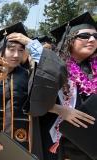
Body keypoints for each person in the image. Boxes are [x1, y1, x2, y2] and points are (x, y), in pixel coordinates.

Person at [28, 12, 97, 160]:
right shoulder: (53, 68)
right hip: (62, 143)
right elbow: (33, 101)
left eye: (95, 36)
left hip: (92, 144)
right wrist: (61, 110)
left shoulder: (95, 69)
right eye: (84, 36)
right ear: (69, 40)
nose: (92, 39)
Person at [0, 22, 41, 160]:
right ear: (2, 50)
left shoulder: (30, 76)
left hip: (23, 143)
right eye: (11, 49)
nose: (16, 55)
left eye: (21, 50)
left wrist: (33, 44)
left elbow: (52, 72)